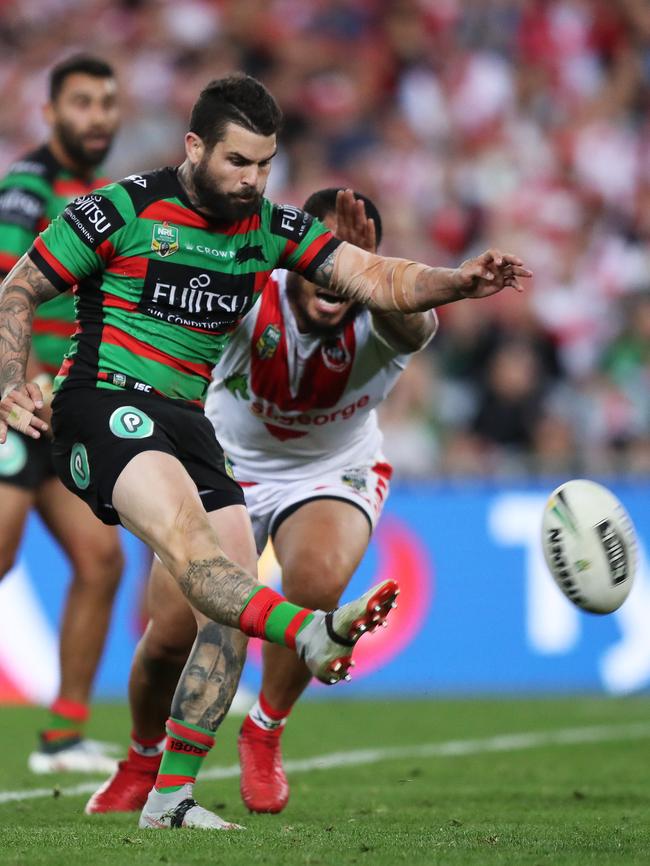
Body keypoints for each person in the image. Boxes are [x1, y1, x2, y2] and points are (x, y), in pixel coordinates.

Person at [0, 73, 529, 831]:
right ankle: (308, 631)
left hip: (188, 423)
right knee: (191, 551)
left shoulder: (271, 228)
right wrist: (9, 378)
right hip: (102, 404)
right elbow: (17, 289)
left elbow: (374, 275)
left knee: (224, 606)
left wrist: (458, 280)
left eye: (264, 165)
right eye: (238, 162)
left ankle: (171, 798)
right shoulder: (119, 208)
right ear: (195, 147)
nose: (252, 181)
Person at [84, 186, 438, 817]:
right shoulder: (250, 291)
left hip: (332, 469)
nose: (335, 269)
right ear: (298, 254)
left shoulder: (389, 317)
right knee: (168, 633)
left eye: (352, 259)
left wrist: (366, 278)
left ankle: (266, 730)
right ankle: (141, 760)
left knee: (319, 579)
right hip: (223, 462)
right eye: (324, 253)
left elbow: (415, 323)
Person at [0, 54, 124, 774]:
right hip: (19, 403)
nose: (97, 116)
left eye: (106, 103)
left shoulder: (105, 197)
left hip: (63, 411)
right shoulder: (27, 188)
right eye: (81, 103)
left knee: (101, 559)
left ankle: (64, 735)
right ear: (50, 113)